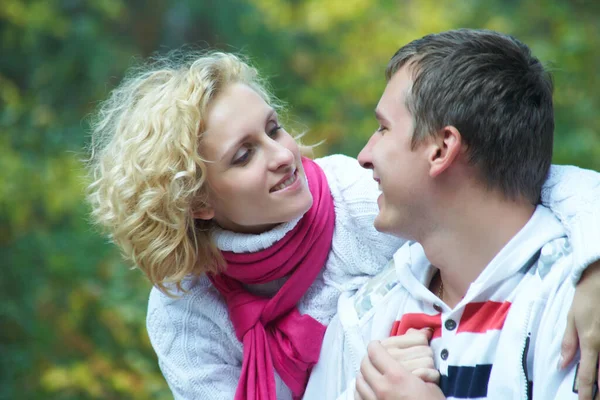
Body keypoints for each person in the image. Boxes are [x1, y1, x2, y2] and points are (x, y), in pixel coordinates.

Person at [85, 49, 600, 400]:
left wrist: (594, 258)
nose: (284, 156)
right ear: (196, 201)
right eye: (244, 155)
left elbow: (510, 178)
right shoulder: (187, 310)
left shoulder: (358, 200)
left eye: (274, 129)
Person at [303, 29, 600, 400]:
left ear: (442, 149)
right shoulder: (365, 317)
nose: (364, 154)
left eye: (383, 128)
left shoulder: (578, 308)